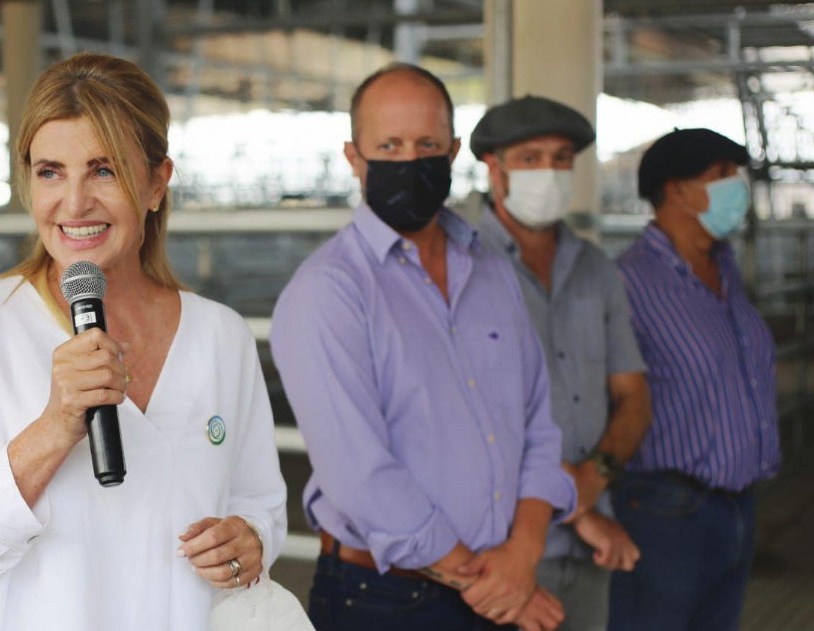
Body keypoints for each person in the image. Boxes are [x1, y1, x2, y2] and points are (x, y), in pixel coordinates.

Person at [0, 52, 288, 631]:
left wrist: (250, 539)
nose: (73, 204)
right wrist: (52, 428)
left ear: (155, 183)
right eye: (50, 172)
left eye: (104, 169)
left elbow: (261, 503)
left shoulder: (220, 337)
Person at [270, 63, 577, 631]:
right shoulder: (327, 292)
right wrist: (485, 580)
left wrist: (523, 554)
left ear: (453, 150)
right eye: (388, 145)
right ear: (354, 157)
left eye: (427, 144)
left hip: (505, 581)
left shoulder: (490, 269)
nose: (409, 161)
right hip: (388, 600)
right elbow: (359, 474)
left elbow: (540, 422)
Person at [470, 95, 650, 631]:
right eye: (529, 158)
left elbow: (633, 397)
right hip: (497, 549)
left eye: (561, 156)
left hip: (589, 550)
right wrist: (581, 508)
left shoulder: (596, 269)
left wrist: (591, 482)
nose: (548, 171)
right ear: (493, 167)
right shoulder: (460, 265)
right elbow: (464, 419)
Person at [610, 128, 779, 631]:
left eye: (735, 174)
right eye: (720, 175)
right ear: (676, 190)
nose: (736, 187)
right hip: (666, 512)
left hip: (737, 507)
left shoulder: (726, 271)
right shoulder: (627, 281)